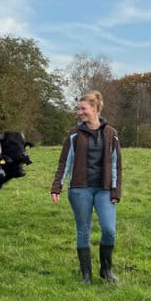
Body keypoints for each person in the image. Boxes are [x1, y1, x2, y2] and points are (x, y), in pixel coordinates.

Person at [50, 91, 123, 284]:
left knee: (109, 229)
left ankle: (106, 271)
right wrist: (57, 186)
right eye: (78, 108)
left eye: (83, 108)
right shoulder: (74, 135)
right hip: (80, 189)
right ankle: (86, 275)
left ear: (95, 108)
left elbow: (116, 165)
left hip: (104, 190)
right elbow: (64, 162)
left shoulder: (111, 134)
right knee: (83, 231)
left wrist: (115, 190)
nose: (79, 112)